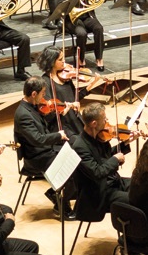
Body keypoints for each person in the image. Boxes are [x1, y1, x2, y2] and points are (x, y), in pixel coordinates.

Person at [14, 76, 73, 219]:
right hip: (36, 158)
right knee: (70, 167)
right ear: (34, 94)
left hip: (44, 151)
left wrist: (57, 113)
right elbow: (38, 139)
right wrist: (58, 136)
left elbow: (42, 126)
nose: (45, 97)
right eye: (43, 93)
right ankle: (61, 206)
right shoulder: (23, 115)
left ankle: (57, 194)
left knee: (76, 156)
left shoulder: (33, 107)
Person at [71, 102, 131, 221]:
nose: (107, 120)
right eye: (104, 119)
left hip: (113, 182)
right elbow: (97, 173)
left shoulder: (99, 137)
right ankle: (132, 236)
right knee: (135, 200)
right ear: (94, 124)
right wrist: (115, 159)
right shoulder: (80, 146)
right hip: (99, 193)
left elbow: (106, 157)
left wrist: (125, 144)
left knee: (143, 187)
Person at [36, 46, 94, 142]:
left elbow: (74, 97)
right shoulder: (45, 82)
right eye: (60, 59)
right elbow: (48, 111)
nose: (64, 61)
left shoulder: (65, 77)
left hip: (74, 119)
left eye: (63, 58)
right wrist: (67, 107)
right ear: (51, 62)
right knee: (79, 144)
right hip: (61, 124)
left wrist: (90, 85)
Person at [57, 0, 105, 69]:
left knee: (99, 28)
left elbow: (98, 0)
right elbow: (60, 4)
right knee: (81, 34)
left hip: (88, 16)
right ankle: (81, 58)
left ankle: (99, 58)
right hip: (72, 19)